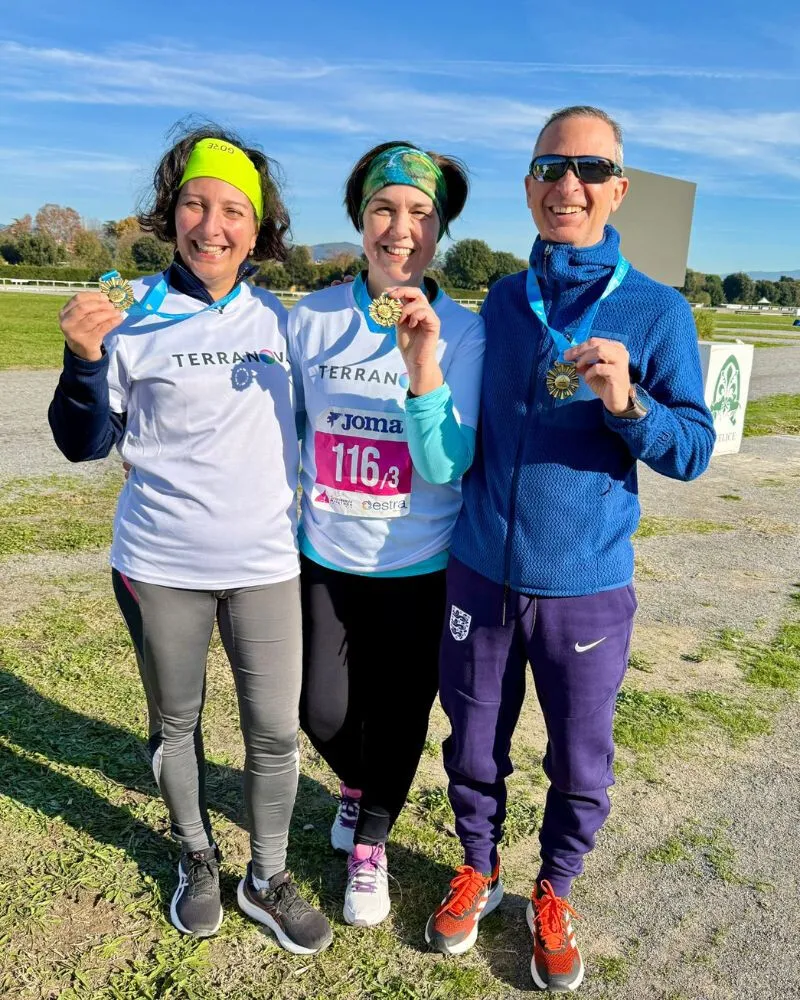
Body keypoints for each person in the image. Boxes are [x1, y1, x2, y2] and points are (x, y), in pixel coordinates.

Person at [424, 106, 715, 991]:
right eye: (553, 167)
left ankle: (554, 890)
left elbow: (693, 450)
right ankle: (479, 866)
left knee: (580, 763)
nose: (569, 185)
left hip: (585, 586)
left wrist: (629, 405)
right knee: (474, 744)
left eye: (591, 170)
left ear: (618, 190)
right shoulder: (505, 301)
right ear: (529, 187)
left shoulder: (658, 310)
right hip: (480, 570)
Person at [48, 123, 332, 955]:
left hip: (266, 565)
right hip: (160, 565)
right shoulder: (130, 314)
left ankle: (267, 876)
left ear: (259, 227)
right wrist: (82, 359)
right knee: (177, 725)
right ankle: (197, 855)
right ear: (170, 214)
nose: (213, 226)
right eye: (195, 205)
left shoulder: (281, 322)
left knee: (274, 731)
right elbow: (81, 443)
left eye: (233, 210)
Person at [289, 141, 485, 928]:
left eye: (420, 214)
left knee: (400, 718)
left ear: (440, 231)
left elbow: (446, 464)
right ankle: (355, 784)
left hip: (419, 565)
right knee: (321, 713)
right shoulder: (311, 319)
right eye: (384, 209)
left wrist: (422, 365)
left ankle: (370, 845)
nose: (401, 230)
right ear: (359, 219)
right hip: (325, 557)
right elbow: (286, 430)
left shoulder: (463, 332)